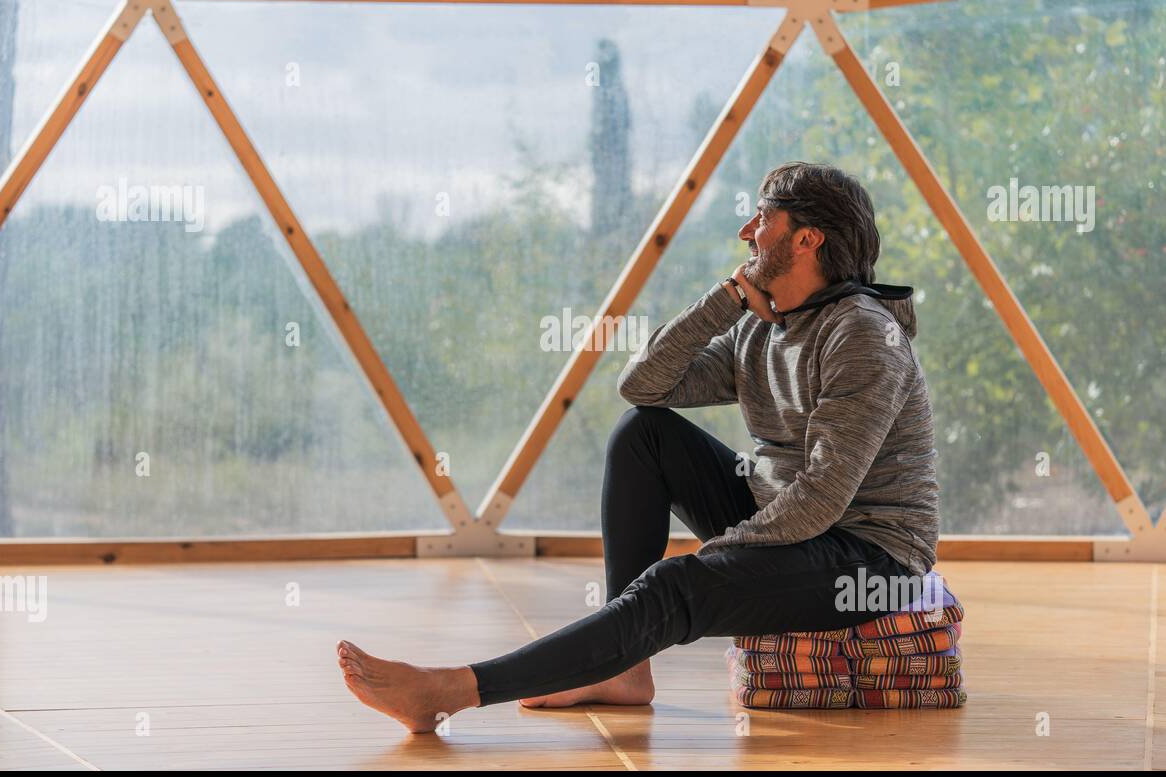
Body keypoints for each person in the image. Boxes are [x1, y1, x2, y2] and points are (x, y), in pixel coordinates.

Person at [337, 161, 940, 733]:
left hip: (866, 555)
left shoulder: (862, 333)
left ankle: (448, 693)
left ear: (807, 239)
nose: (746, 230)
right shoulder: (764, 326)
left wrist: (715, 563)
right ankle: (625, 671)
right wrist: (724, 301)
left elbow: (822, 498)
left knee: (674, 586)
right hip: (793, 520)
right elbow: (645, 386)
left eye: (763, 218)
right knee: (642, 434)